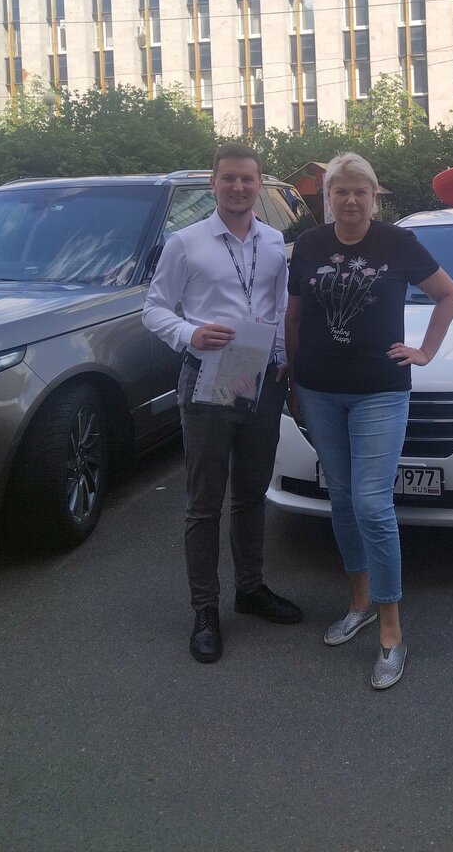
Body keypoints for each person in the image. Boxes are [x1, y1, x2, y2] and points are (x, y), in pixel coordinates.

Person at [286, 153, 453, 690]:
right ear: (328, 197)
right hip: (318, 390)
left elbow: (447, 294)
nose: (351, 200)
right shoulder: (309, 246)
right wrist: (292, 380)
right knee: (340, 497)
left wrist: (425, 351)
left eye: (361, 191)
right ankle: (358, 603)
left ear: (374, 196)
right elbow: (294, 315)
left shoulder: (397, 243)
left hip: (379, 392)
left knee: (371, 503)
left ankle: (391, 629)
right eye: (341, 191)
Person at [143, 142, 302, 664]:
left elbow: (280, 307)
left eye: (247, 179)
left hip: (261, 380)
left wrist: (283, 359)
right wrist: (189, 333)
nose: (238, 187)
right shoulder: (185, 243)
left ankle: (250, 589)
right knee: (204, 501)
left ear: (259, 184)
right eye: (228, 178)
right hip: (208, 380)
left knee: (252, 493)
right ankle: (205, 609)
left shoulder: (274, 241)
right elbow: (153, 309)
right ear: (213, 183)